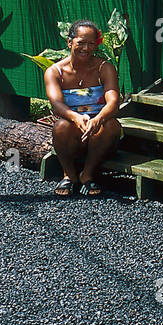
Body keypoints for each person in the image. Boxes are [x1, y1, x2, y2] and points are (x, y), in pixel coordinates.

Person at [44, 20, 122, 196]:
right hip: (72, 130)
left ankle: (87, 174)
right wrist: (76, 117)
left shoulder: (104, 68)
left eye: (91, 44)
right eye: (81, 43)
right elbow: (56, 104)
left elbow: (113, 101)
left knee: (111, 126)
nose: (86, 48)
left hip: (98, 132)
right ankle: (69, 175)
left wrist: (98, 119)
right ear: (70, 42)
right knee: (61, 126)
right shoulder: (55, 71)